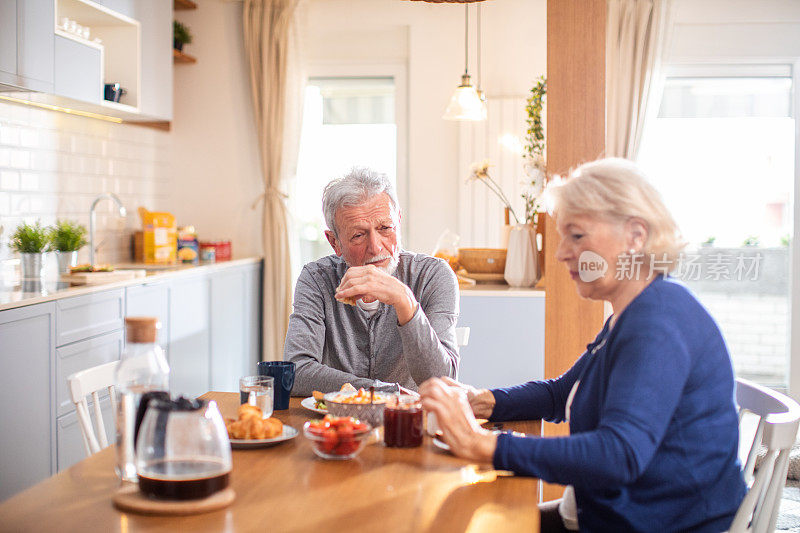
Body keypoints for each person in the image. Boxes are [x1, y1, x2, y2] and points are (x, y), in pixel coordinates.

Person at [420, 158, 746, 532]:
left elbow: (620, 454)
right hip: (618, 513)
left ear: (636, 236)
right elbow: (563, 393)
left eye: (577, 236)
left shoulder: (657, 321)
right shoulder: (635, 311)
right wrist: (484, 401)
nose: (560, 253)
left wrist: (485, 445)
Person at [284, 167, 459, 397]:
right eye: (358, 235)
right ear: (334, 242)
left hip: (409, 423)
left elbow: (442, 381)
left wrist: (404, 301)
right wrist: (379, 390)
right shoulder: (317, 279)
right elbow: (297, 370)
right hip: (338, 424)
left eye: (385, 228)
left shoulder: (433, 275)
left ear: (398, 220)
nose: (376, 247)